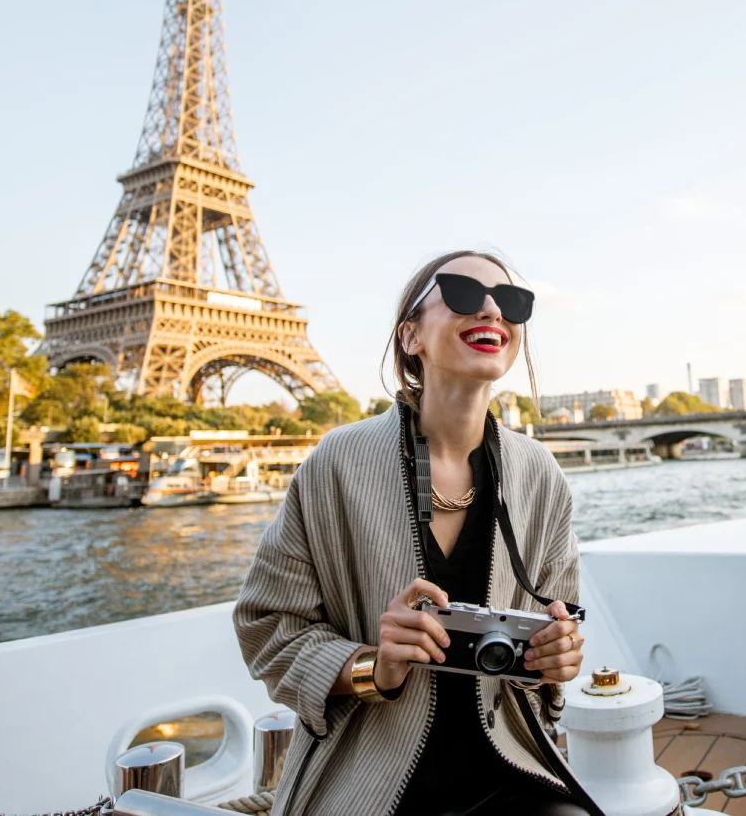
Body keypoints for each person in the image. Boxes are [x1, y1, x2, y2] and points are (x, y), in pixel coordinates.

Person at [234, 250, 590, 816]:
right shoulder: (337, 462)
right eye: (464, 294)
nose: (492, 311)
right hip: (363, 777)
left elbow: (555, 627)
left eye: (511, 301)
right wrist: (374, 666)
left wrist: (554, 658)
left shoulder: (540, 473)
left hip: (510, 766)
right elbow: (267, 626)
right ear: (410, 336)